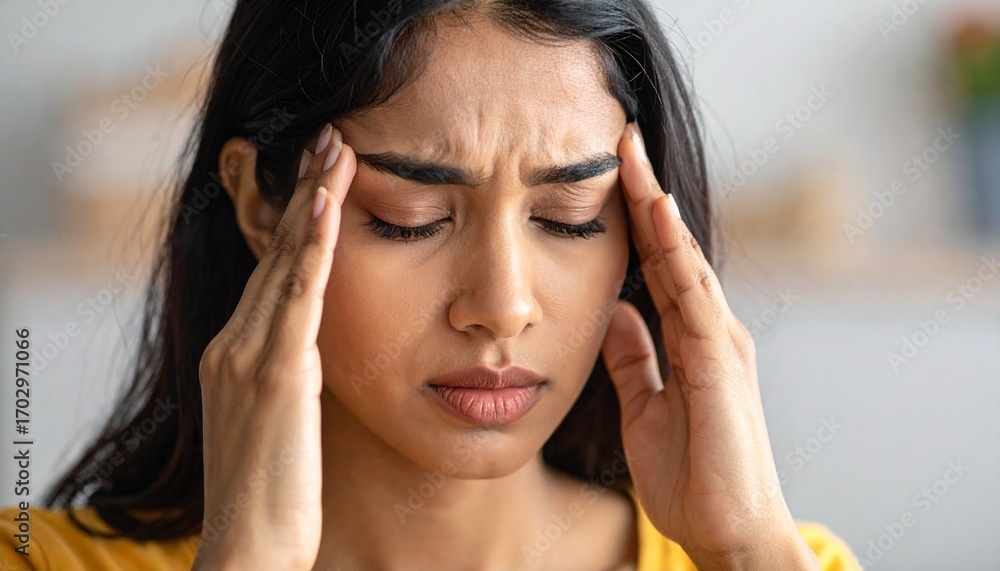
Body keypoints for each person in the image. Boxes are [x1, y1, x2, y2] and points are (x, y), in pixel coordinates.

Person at [1, 1, 861, 569]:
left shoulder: (786, 558)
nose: (502, 305)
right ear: (262, 205)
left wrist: (750, 552)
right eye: (411, 216)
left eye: (568, 215)